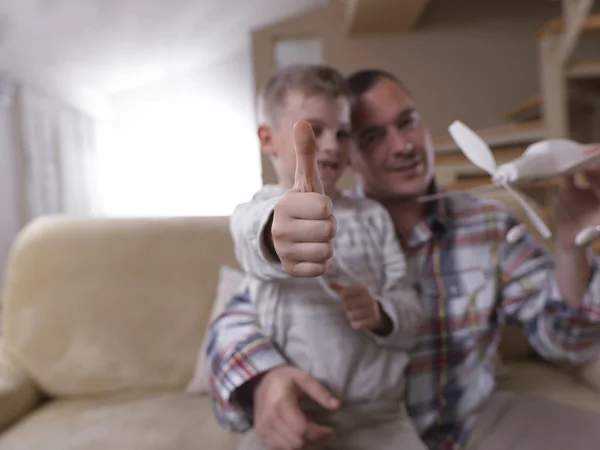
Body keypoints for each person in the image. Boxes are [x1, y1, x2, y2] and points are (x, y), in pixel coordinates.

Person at [207, 68, 600, 450]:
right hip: (352, 423)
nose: (403, 145)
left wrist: (571, 248)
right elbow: (240, 311)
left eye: (407, 122)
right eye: (373, 136)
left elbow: (567, 342)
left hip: (470, 419)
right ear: (352, 160)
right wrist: (264, 379)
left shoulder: (489, 224)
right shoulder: (315, 225)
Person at [228, 64, 426, 450]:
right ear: (267, 138)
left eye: (343, 133)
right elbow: (246, 235)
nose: (333, 144)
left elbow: (409, 307)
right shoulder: (262, 209)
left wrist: (382, 313)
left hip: (380, 418)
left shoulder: (372, 216)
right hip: (292, 412)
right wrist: (275, 234)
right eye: (315, 130)